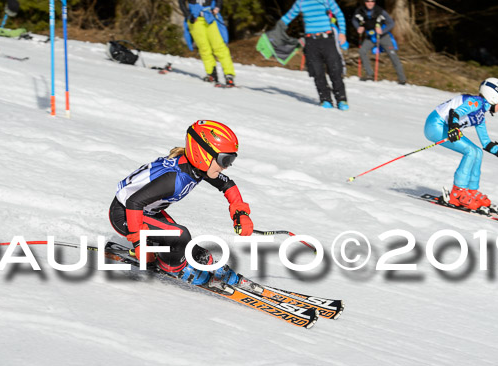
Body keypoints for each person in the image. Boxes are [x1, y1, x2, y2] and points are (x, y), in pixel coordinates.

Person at [108, 120, 254, 288]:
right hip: (125, 214)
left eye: (231, 160)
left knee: (191, 247)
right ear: (203, 154)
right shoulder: (175, 179)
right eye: (225, 160)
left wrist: (240, 214)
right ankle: (174, 267)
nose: (226, 167)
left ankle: (192, 259)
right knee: (180, 235)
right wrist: (139, 242)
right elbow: (133, 202)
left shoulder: (197, 167)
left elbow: (227, 185)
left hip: (147, 211)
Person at [424, 78, 498, 211]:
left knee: (478, 151)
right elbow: (455, 113)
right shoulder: (476, 102)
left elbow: (486, 142)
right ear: (494, 96)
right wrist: (454, 128)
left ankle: (471, 191)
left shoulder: (480, 114)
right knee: (470, 151)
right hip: (436, 125)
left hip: (446, 127)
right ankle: (457, 193)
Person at [281, 0, 349, 110]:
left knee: (335, 70)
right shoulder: (301, 2)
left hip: (327, 40)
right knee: (317, 72)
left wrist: (342, 33)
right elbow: (288, 17)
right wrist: (276, 31)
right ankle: (325, 99)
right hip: (311, 42)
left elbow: (339, 14)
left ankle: (341, 99)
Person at [179, 0, 236, 87]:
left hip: (211, 17)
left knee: (219, 47)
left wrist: (217, 8)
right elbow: (181, 2)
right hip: (195, 20)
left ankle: (229, 75)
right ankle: (211, 74)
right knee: (204, 48)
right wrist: (188, 15)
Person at [352, 0, 406, 84]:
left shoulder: (380, 11)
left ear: (374, 2)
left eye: (372, 1)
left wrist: (383, 30)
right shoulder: (360, 11)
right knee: (362, 51)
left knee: (392, 55)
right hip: (371, 37)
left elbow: (391, 23)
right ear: (364, 2)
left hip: (384, 37)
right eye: (367, 1)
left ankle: (402, 79)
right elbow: (354, 20)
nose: (370, 3)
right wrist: (358, 27)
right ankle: (369, 74)